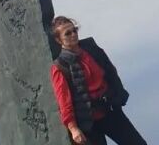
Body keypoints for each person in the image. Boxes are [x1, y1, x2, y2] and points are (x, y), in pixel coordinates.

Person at [49, 16, 148, 145]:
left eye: (74, 30)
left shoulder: (91, 47)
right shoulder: (59, 66)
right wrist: (73, 129)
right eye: (67, 33)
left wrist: (118, 95)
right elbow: (64, 101)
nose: (73, 35)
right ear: (58, 39)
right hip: (88, 123)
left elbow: (110, 71)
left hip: (110, 110)